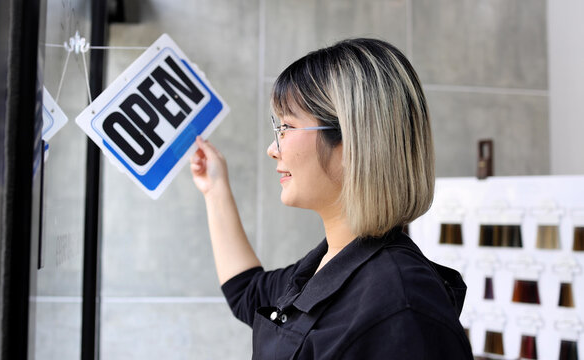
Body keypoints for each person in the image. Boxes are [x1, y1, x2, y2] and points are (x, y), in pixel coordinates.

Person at [190, 38, 473, 359]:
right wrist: (215, 188)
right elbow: (246, 293)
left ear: (353, 141)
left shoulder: (402, 310)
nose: (273, 149)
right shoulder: (331, 262)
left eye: (286, 126)